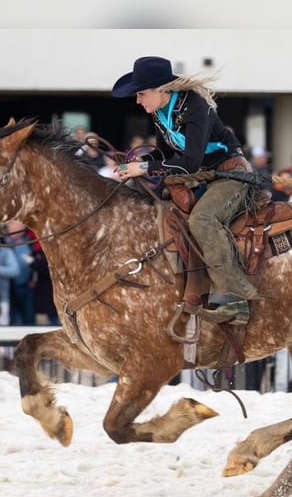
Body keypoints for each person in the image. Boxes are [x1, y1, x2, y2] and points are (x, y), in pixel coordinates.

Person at [110, 56, 260, 324]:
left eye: (141, 94)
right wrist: (138, 166)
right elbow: (165, 155)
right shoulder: (158, 113)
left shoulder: (195, 106)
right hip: (204, 178)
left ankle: (236, 300)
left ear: (161, 90)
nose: (138, 100)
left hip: (231, 174)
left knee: (202, 219)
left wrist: (144, 169)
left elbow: (189, 162)